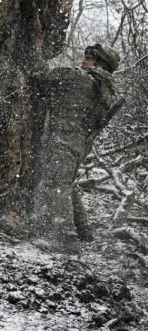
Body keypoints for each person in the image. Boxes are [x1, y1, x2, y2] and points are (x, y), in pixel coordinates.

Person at [29, 44, 119, 252]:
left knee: (56, 183)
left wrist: (36, 47)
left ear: (99, 63)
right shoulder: (105, 88)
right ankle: (84, 230)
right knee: (67, 181)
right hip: (81, 143)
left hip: (64, 139)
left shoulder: (77, 77)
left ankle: (65, 238)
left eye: (88, 58)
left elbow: (41, 75)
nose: (83, 61)